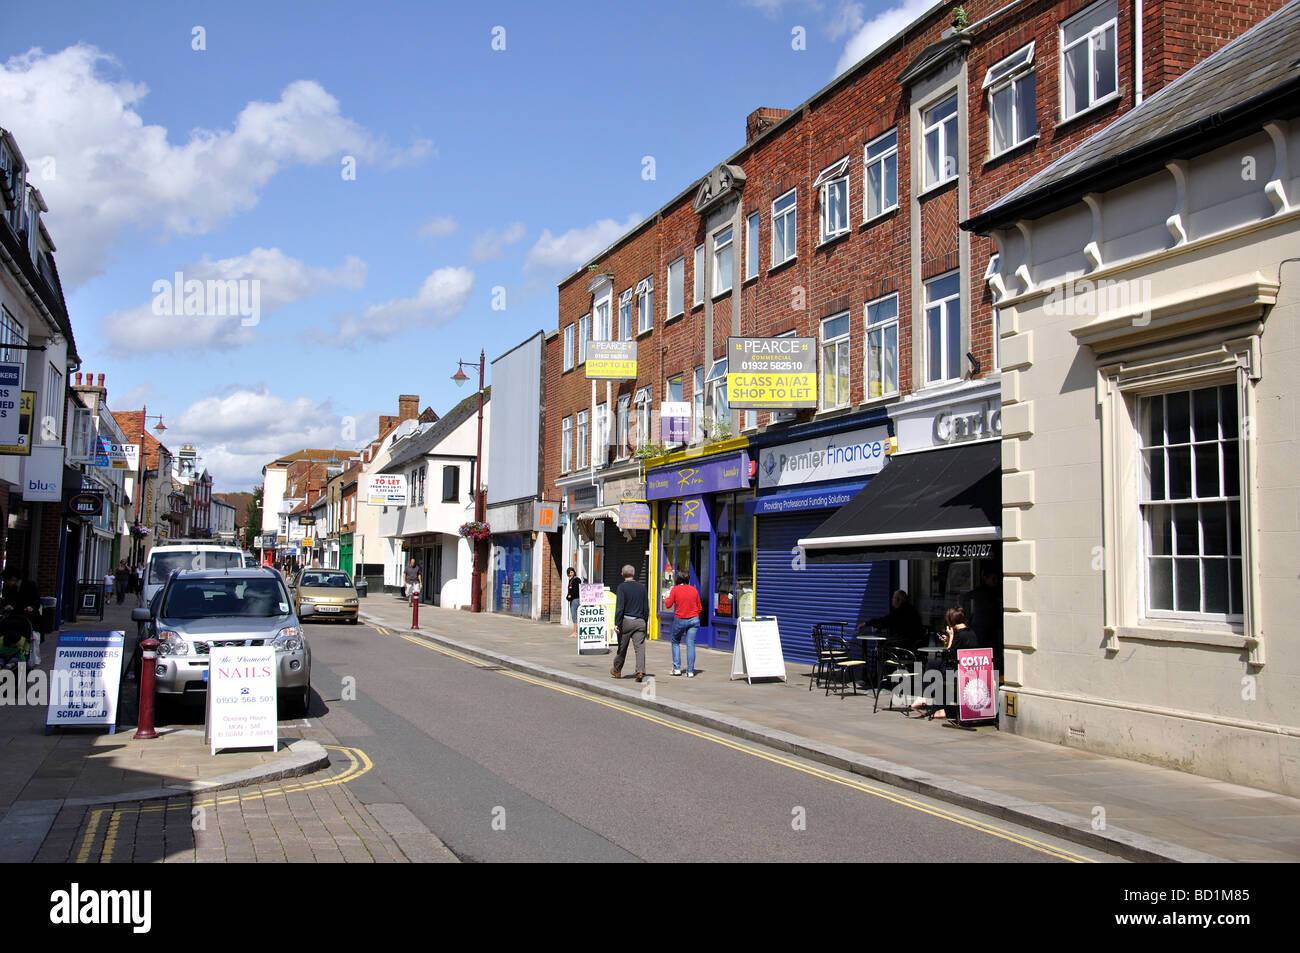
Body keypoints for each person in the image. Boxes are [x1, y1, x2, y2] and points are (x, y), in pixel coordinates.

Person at [910, 605, 978, 719]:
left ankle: (928, 700)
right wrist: (949, 639)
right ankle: (938, 707)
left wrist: (951, 637)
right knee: (934, 666)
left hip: (958, 671)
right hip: (968, 669)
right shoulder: (970, 632)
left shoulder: (959, 635)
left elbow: (949, 654)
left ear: (951, 621)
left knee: (933, 667)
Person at [610, 565, 649, 682]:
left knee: (622, 647)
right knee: (640, 648)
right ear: (634, 574)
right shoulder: (642, 587)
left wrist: (617, 623)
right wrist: (644, 621)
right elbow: (646, 608)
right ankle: (640, 671)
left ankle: (617, 670)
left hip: (626, 621)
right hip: (640, 621)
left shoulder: (622, 587)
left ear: (622, 574)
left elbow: (620, 607)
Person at [664, 570, 703, 677]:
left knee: (675, 641)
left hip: (680, 618)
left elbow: (668, 605)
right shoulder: (694, 590)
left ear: (678, 579)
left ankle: (677, 668)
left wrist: (667, 597)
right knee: (690, 644)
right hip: (694, 619)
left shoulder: (675, 589)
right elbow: (699, 608)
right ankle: (690, 671)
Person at [2, 568, 42, 666]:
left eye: (7, 580)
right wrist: (8, 605)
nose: (7, 583)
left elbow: (36, 600)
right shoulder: (9, 588)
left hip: (28, 616)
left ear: (13, 579)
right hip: (14, 615)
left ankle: (25, 653)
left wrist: (31, 607)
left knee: (27, 634)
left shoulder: (30, 585)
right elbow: (7, 599)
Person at [962, 568, 1002, 650]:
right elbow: (964, 598)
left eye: (996, 579)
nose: (996, 581)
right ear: (985, 578)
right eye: (993, 579)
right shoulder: (980, 591)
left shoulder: (995, 591)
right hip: (981, 627)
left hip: (991, 627)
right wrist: (967, 616)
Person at [565, 567, 582, 638]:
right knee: (575, 616)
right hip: (574, 599)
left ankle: (575, 632)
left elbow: (575, 590)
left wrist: (570, 596)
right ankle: (576, 631)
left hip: (575, 599)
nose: (570, 574)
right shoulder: (571, 580)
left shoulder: (576, 580)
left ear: (574, 572)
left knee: (574, 616)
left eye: (572, 572)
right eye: (569, 573)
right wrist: (568, 596)